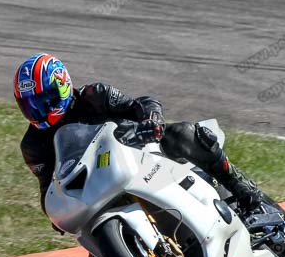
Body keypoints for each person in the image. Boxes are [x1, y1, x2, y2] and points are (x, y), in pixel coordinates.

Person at [14, 52, 262, 234]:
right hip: (97, 185)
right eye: (29, 105)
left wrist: (151, 121)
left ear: (63, 84)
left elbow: (142, 104)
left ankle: (241, 187)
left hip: (141, 153)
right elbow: (47, 187)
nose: (38, 110)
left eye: (44, 100)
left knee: (184, 133)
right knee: (97, 252)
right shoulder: (33, 144)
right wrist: (55, 214)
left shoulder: (95, 95)